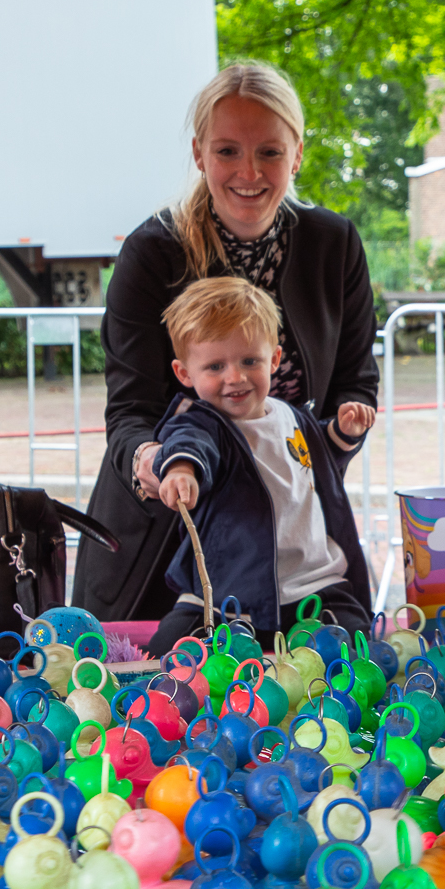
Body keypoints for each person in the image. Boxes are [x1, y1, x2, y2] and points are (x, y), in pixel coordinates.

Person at [73, 62, 381, 624]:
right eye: (227, 152)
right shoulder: (152, 252)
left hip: (286, 555)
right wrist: (152, 460)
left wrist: (338, 433)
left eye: (268, 151)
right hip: (161, 543)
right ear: (198, 154)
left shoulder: (332, 244)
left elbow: (353, 380)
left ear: (297, 155)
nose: (248, 172)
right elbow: (131, 411)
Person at [145, 277, 376, 654]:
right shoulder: (201, 421)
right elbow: (190, 445)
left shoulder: (291, 416)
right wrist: (181, 470)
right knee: (166, 654)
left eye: (249, 361)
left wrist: (342, 433)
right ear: (185, 373)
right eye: (215, 366)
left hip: (313, 586)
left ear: (274, 359)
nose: (234, 377)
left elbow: (312, 469)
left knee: (355, 643)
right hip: (225, 593)